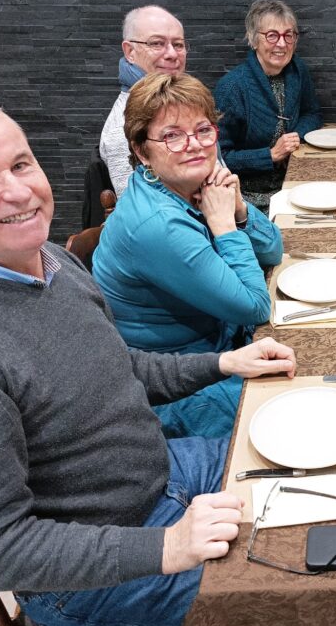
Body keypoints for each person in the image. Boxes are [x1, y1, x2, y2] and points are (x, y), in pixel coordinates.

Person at [0, 93, 296, 626]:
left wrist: (223, 362)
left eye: (21, 164)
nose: (19, 190)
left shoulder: (50, 263)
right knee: (303, 589)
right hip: (93, 578)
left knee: (313, 465)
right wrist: (168, 545)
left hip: (163, 476)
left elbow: (121, 372)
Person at [93, 73, 283, 439]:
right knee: (288, 408)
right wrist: (225, 226)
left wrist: (239, 207)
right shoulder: (158, 224)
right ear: (141, 150)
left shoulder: (190, 183)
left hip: (220, 344)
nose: (194, 145)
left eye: (203, 130)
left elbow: (274, 249)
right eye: (172, 136)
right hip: (175, 387)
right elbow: (255, 307)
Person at [214, 0, 322, 213]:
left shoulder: (297, 70)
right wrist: (271, 154)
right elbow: (220, 158)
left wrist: (295, 136)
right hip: (248, 198)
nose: (282, 44)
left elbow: (312, 113)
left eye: (288, 35)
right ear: (254, 40)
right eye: (272, 35)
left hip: (294, 181)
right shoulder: (232, 88)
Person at [100, 5, 188, 198]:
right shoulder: (122, 128)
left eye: (178, 44)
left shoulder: (182, 102)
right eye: (157, 43)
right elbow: (141, 207)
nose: (172, 54)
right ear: (129, 51)